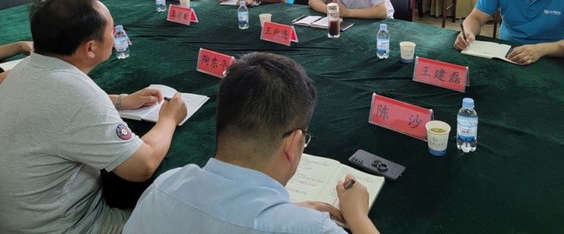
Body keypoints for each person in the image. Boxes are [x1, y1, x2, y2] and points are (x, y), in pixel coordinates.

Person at [124, 52, 380, 234]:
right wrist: (357, 217)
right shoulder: (313, 229)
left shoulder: (165, 185)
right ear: (293, 144)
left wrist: (289, 211)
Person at [0, 0, 187, 234]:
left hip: (18, 220)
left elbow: (57, 104)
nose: (115, 34)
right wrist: (169, 118)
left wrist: (120, 101)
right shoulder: (77, 95)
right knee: (181, 217)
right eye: (112, 30)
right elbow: (143, 165)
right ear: (90, 48)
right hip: (71, 227)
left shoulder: (25, 68)